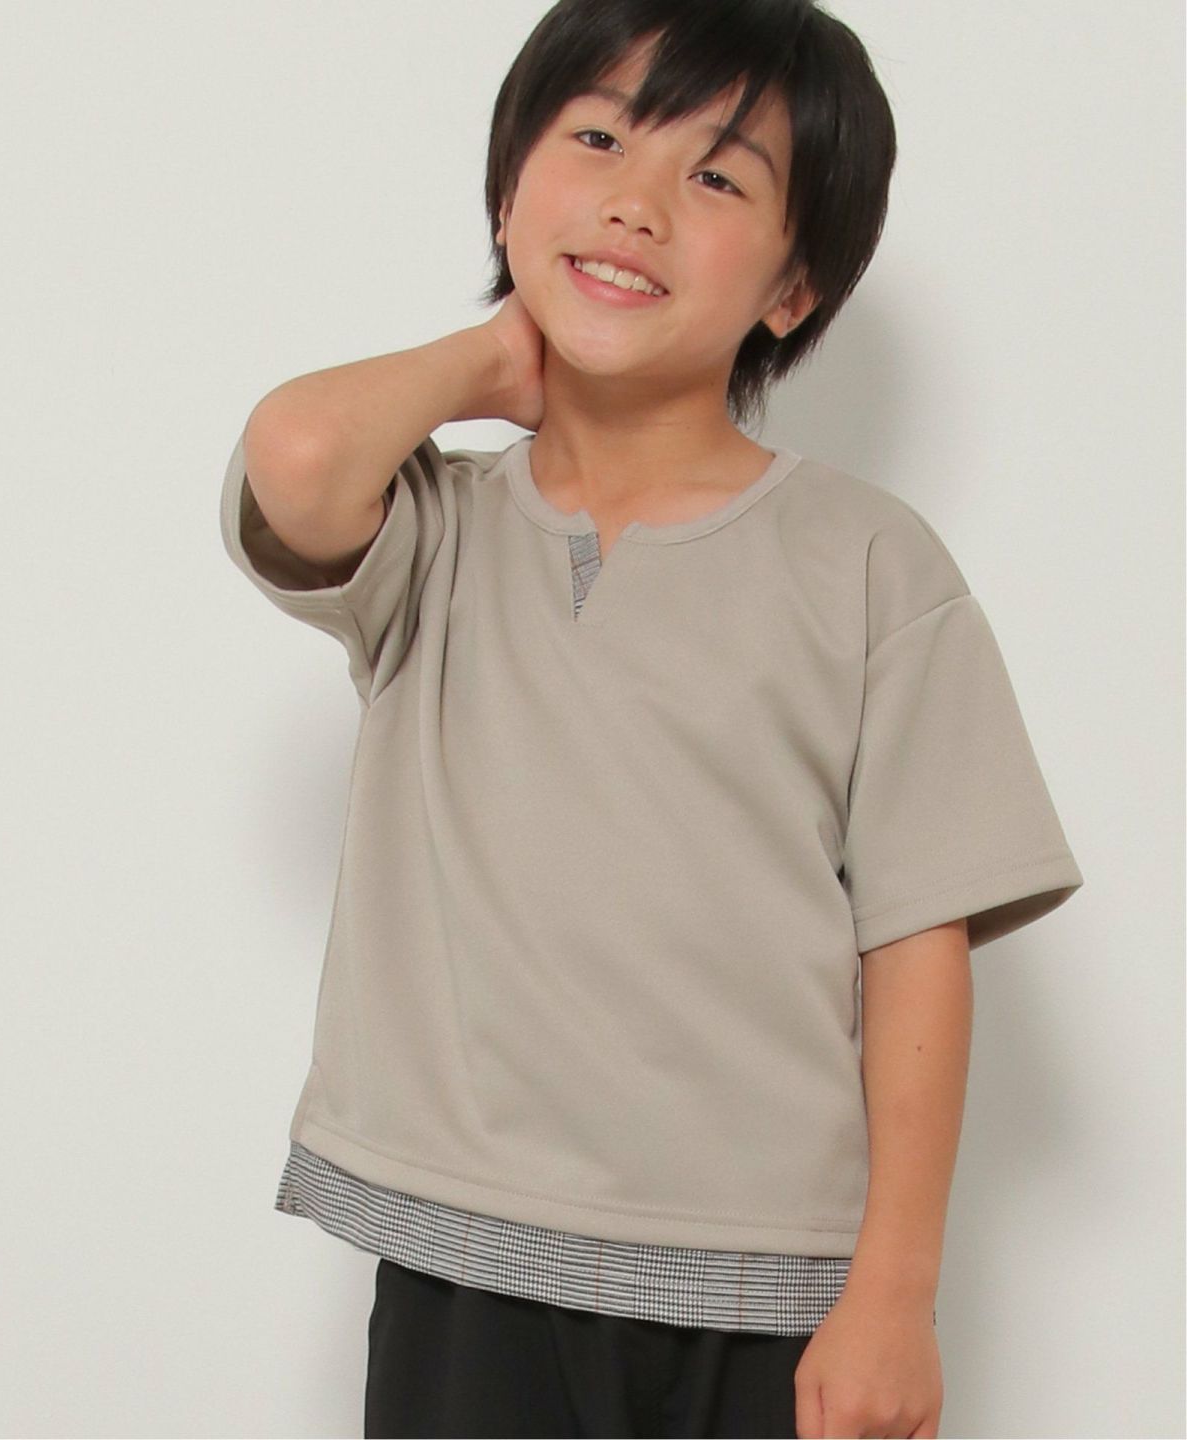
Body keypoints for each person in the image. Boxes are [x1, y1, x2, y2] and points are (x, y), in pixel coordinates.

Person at [218, 1, 1085, 1435]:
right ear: (509, 191)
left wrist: (895, 1292)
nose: (637, 202)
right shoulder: (434, 532)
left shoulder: (869, 563)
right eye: (600, 140)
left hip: (765, 1276)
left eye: (718, 175)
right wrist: (489, 361)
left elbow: (918, 941)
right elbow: (296, 456)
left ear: (794, 288)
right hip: (469, 1251)